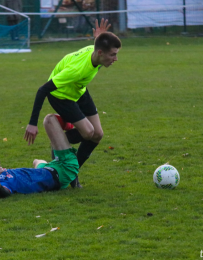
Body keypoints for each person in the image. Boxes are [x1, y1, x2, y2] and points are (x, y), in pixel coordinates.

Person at [24, 18, 122, 187]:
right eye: (112, 54)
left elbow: (96, 47)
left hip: (79, 89)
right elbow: (42, 90)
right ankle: (57, 142)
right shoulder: (76, 70)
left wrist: (99, 37)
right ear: (100, 53)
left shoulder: (96, 53)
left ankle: (72, 174)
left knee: (98, 134)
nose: (115, 59)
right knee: (88, 133)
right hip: (61, 95)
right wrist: (32, 123)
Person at [0, 114, 79, 198]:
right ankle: (88, 130)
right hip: (64, 170)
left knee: (36, 161)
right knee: (50, 119)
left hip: (47, 169)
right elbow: (5, 193)